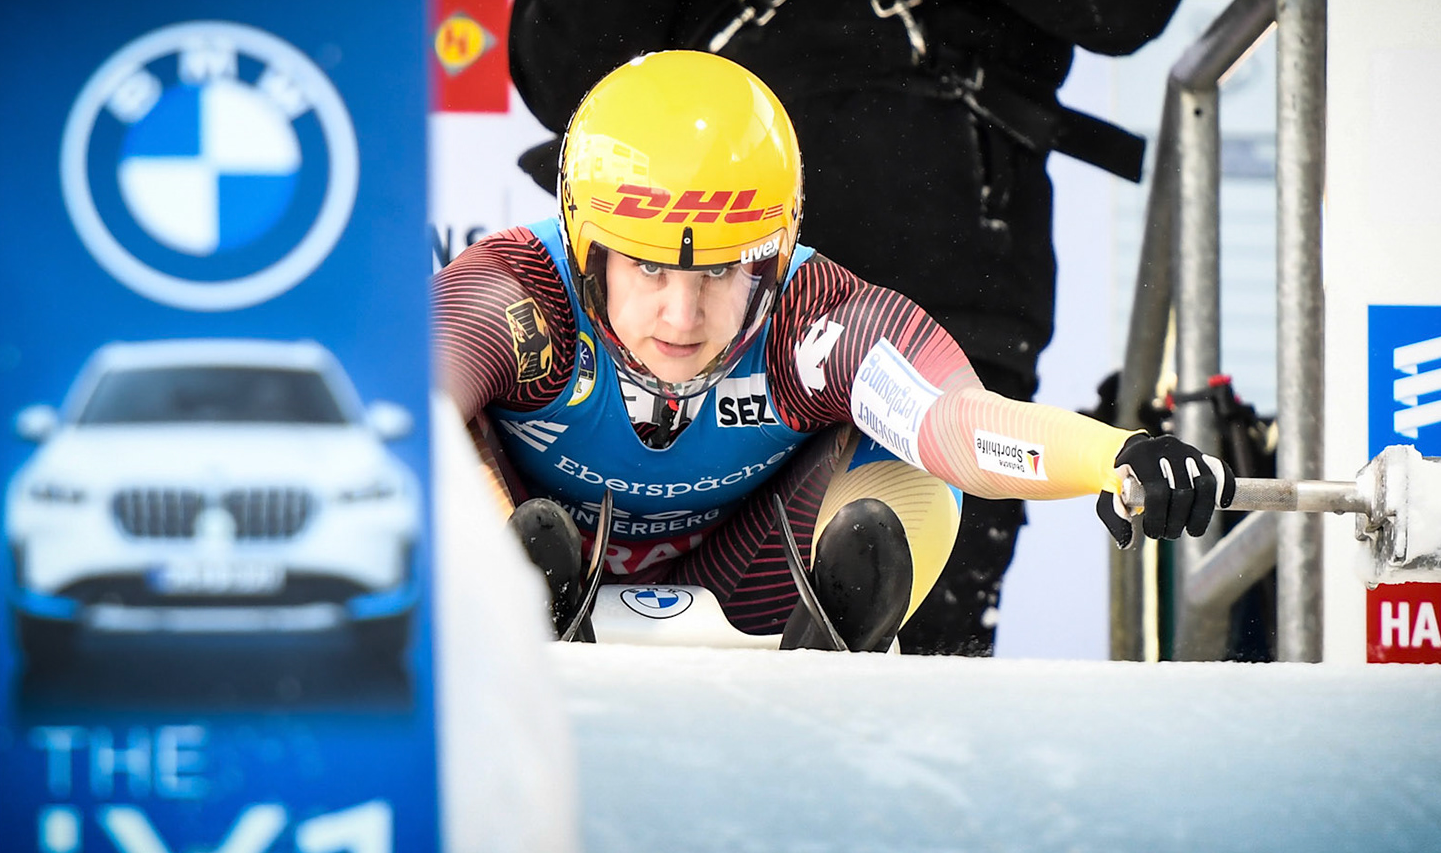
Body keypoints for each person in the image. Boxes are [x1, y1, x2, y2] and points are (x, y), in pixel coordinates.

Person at [508, 0, 1194, 653]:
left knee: (904, 638)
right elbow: (562, 78)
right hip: (703, 321)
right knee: (621, 661)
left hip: (948, 320)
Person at [437, 52, 1227, 649]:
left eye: (721, 268)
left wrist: (1116, 457)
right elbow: (396, 410)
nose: (683, 315)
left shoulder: (818, 315)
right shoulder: (513, 288)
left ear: (777, 255)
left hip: (758, 586)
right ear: (584, 248)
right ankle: (508, 603)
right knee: (434, 434)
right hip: (534, 559)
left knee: (917, 461)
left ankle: (834, 641)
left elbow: (957, 422)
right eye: (647, 264)